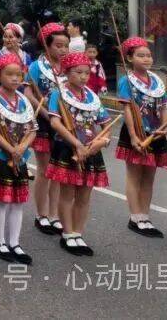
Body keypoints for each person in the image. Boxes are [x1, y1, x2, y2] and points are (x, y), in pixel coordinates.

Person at [45, 50, 113, 255]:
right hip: (67, 148)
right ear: (67, 72)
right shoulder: (59, 93)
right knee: (68, 192)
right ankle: (67, 233)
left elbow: (106, 123)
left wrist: (101, 142)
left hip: (91, 149)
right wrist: (77, 144)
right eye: (78, 72)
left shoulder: (92, 96)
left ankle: (78, 233)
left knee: (85, 193)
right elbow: (55, 122)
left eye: (86, 72)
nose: (83, 76)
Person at [0, 52, 37, 266]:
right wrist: (10, 148)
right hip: (2, 156)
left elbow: (33, 129)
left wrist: (21, 147)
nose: (15, 78)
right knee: (3, 201)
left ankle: (15, 242)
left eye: (18, 74)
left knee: (18, 202)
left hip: (20, 158)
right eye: (9, 74)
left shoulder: (23, 100)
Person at [115, 36, 167, 238]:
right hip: (137, 133)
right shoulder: (126, 81)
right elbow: (128, 110)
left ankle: (145, 217)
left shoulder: (157, 80)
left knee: (149, 176)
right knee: (134, 175)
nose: (146, 59)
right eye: (140, 55)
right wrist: (132, 135)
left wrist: (165, 128)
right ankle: (135, 217)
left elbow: (164, 106)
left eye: (148, 55)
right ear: (130, 58)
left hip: (156, 133)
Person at [25, 22, 69, 236]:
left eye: (65, 46)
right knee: (44, 169)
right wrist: (46, 113)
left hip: (64, 123)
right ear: (47, 45)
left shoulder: (68, 68)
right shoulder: (35, 67)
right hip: (43, 121)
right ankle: (41, 214)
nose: (63, 50)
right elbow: (29, 94)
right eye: (58, 45)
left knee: (58, 170)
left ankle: (54, 215)